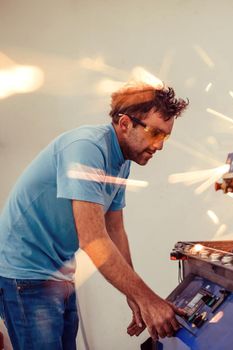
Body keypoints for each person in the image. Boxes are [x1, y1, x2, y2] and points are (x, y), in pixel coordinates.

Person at [0, 82, 188, 349]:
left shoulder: (121, 162)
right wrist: (148, 299)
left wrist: (132, 295)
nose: (159, 145)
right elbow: (93, 239)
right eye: (155, 133)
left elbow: (115, 230)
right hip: (25, 273)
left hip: (59, 273)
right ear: (124, 123)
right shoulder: (87, 149)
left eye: (165, 137)